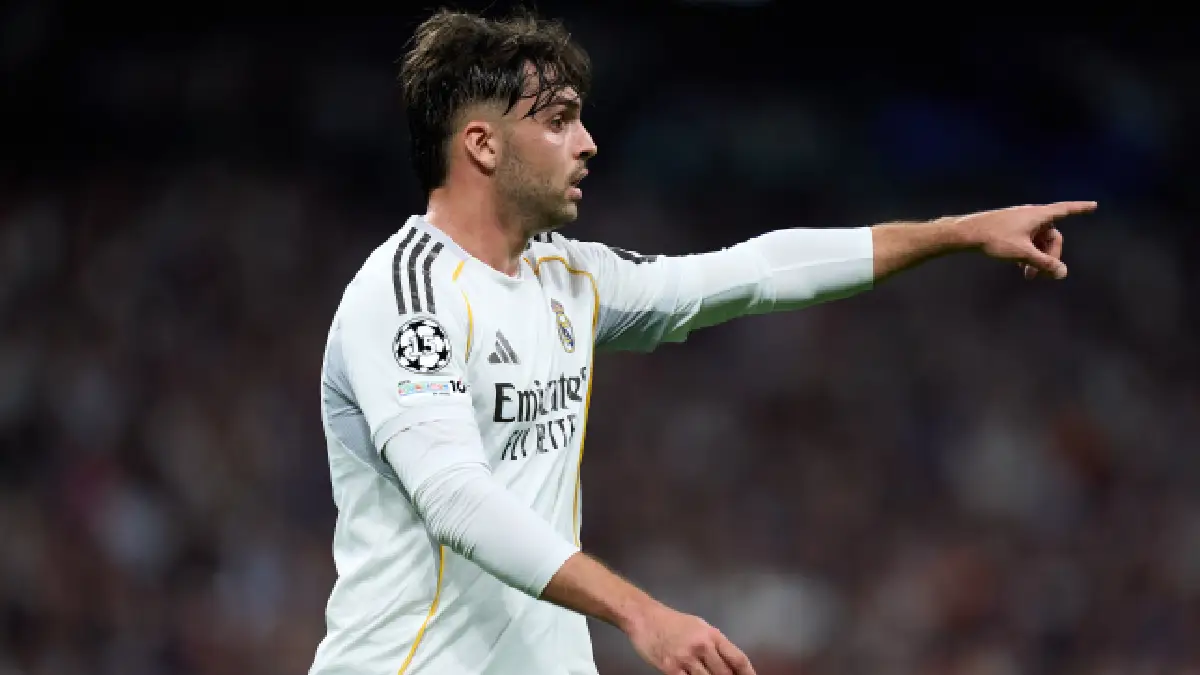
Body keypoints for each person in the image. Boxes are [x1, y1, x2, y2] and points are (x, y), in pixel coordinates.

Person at [308, 8, 1095, 675]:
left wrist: (959, 231)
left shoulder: (567, 278)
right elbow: (456, 498)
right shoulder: (405, 297)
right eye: (556, 121)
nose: (587, 142)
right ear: (481, 145)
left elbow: (749, 273)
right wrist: (639, 611)